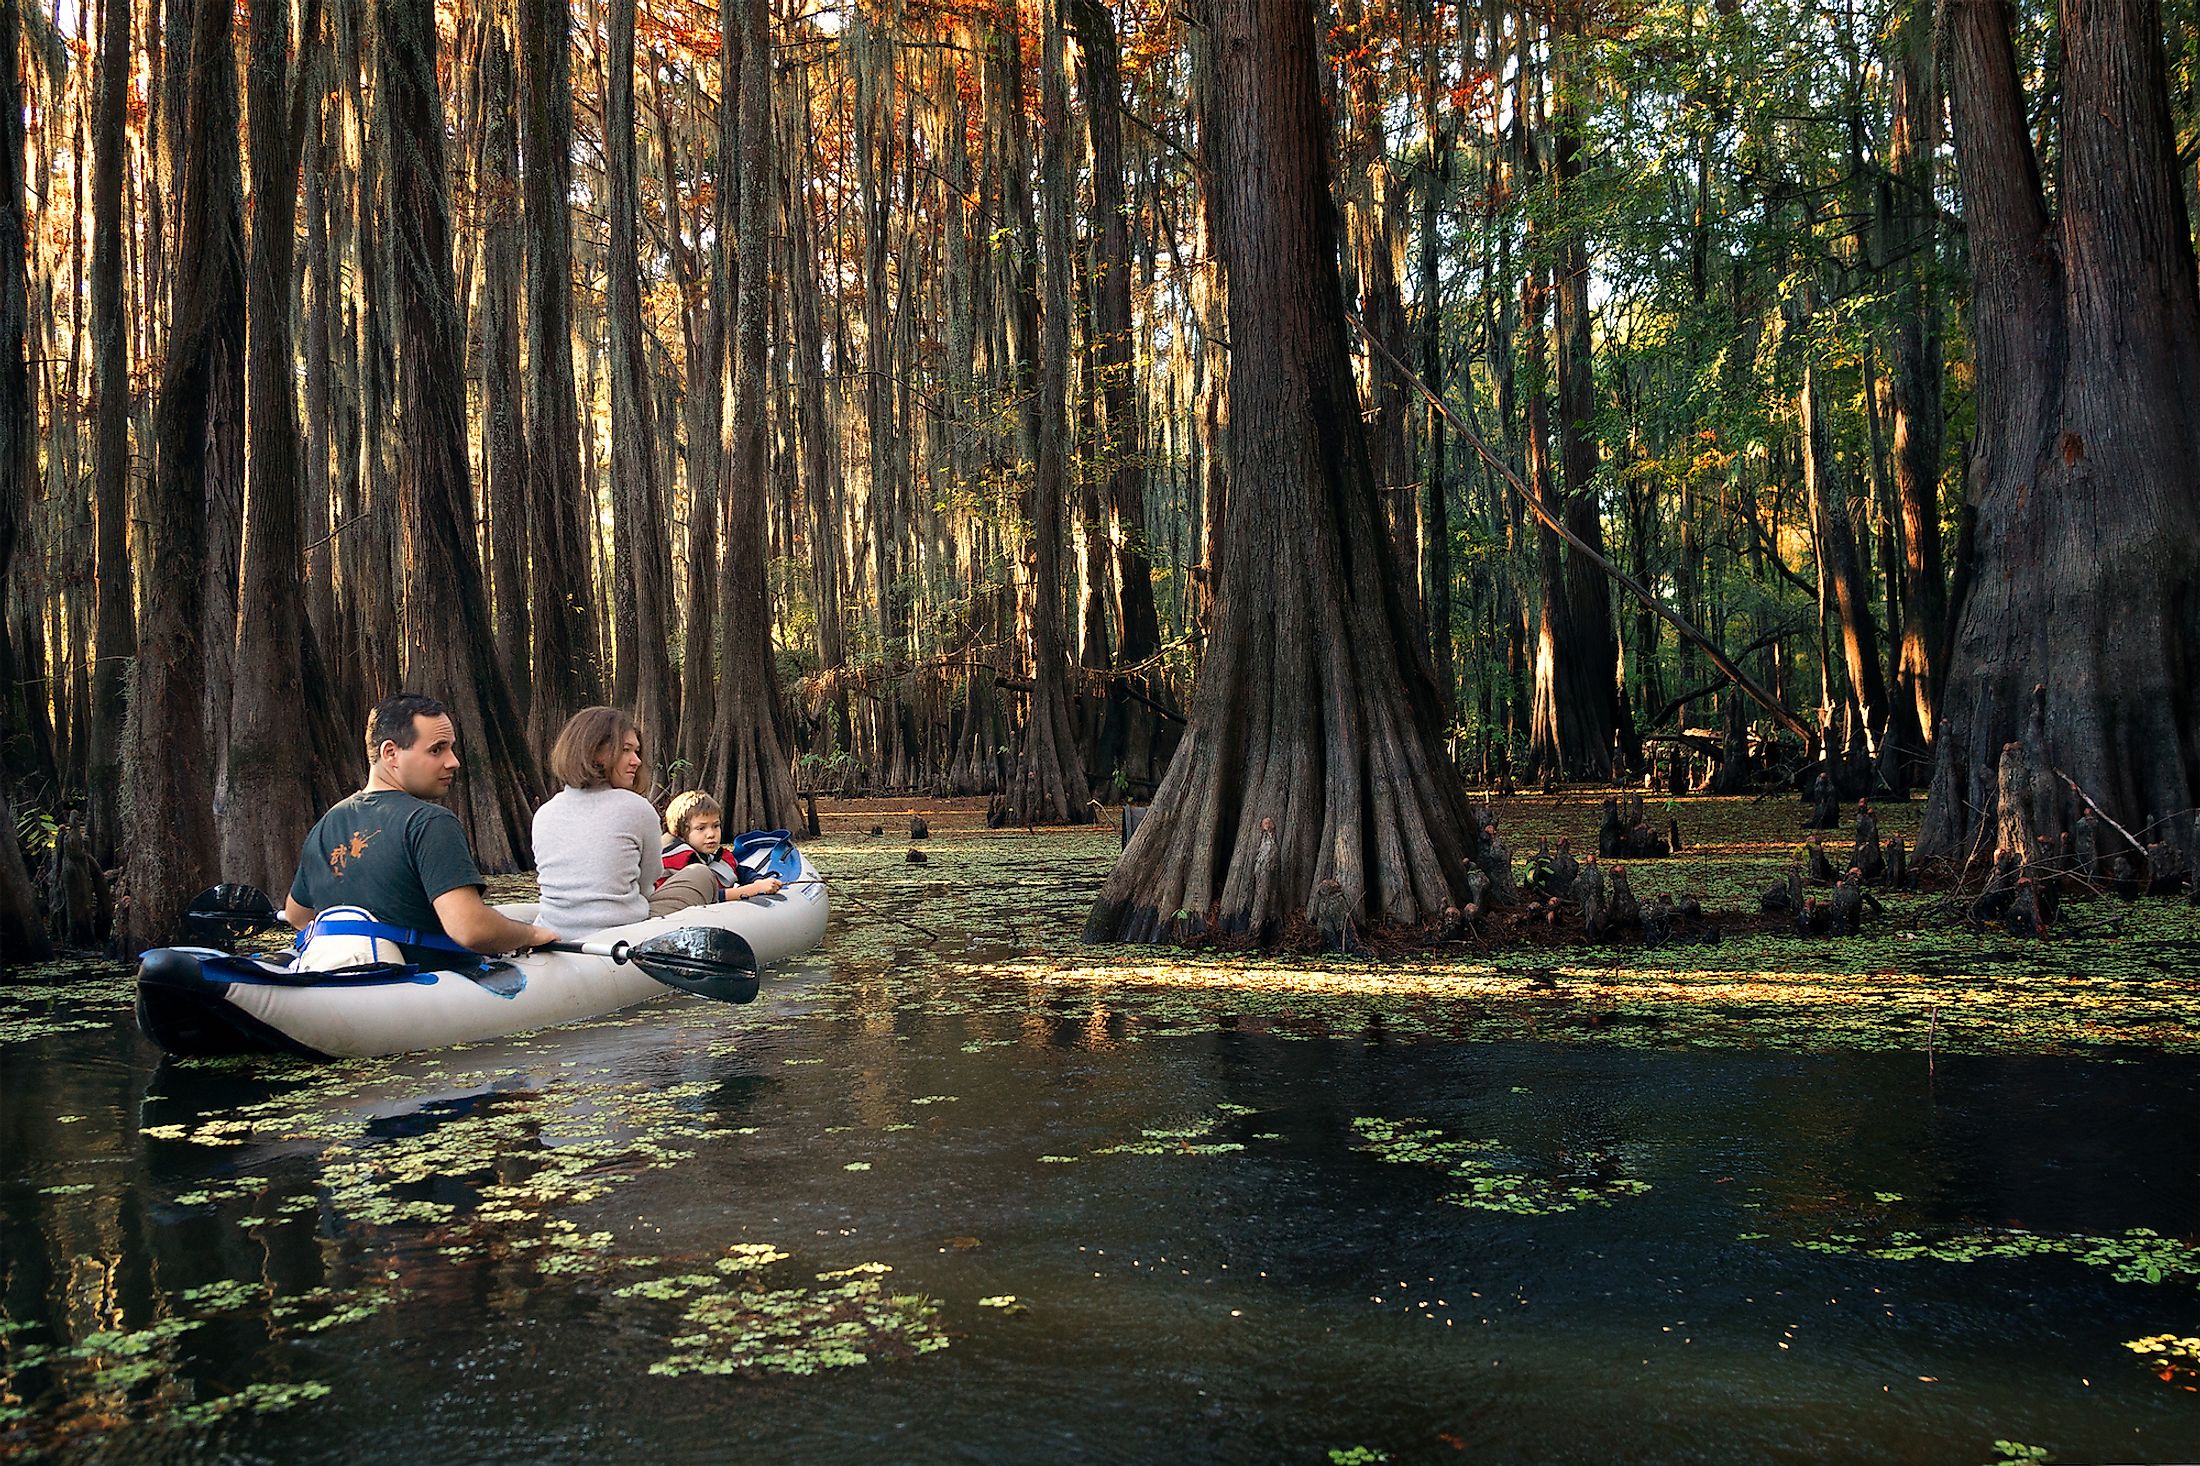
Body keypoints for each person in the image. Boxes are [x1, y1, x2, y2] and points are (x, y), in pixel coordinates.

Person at [285, 693, 559, 964]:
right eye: (437, 749)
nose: (453, 761)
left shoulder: (327, 823)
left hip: (348, 982)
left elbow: (297, 916)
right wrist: (530, 934)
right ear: (390, 753)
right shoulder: (430, 823)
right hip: (426, 986)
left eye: (451, 748)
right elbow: (471, 929)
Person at [532, 707, 672, 936]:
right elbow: (648, 884)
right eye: (626, 750)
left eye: (637, 751)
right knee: (698, 875)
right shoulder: (637, 808)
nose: (636, 761)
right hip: (621, 937)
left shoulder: (544, 813)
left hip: (555, 931)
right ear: (594, 751)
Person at [653, 790, 783, 915]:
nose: (711, 834)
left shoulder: (711, 856)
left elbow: (740, 871)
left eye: (715, 826)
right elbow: (709, 896)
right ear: (680, 832)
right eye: (701, 828)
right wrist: (753, 889)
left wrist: (758, 880)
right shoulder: (674, 860)